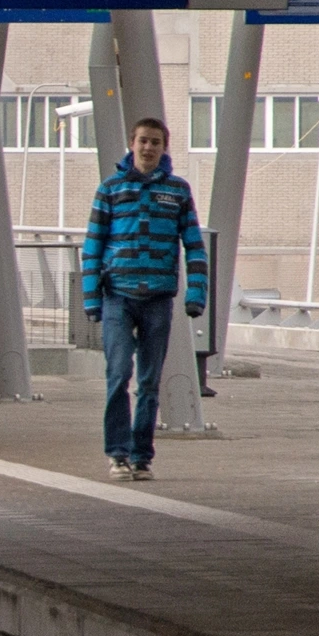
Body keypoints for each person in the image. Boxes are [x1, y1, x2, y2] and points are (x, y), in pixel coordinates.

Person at [78, 116, 206, 483]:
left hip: (158, 300)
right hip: (118, 297)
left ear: (164, 148)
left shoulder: (178, 191)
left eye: (156, 142)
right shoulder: (111, 189)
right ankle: (117, 453)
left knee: (149, 382)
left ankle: (141, 456)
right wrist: (91, 299)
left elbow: (195, 246)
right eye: (143, 141)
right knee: (118, 375)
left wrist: (196, 295)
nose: (148, 148)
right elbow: (92, 247)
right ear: (131, 144)